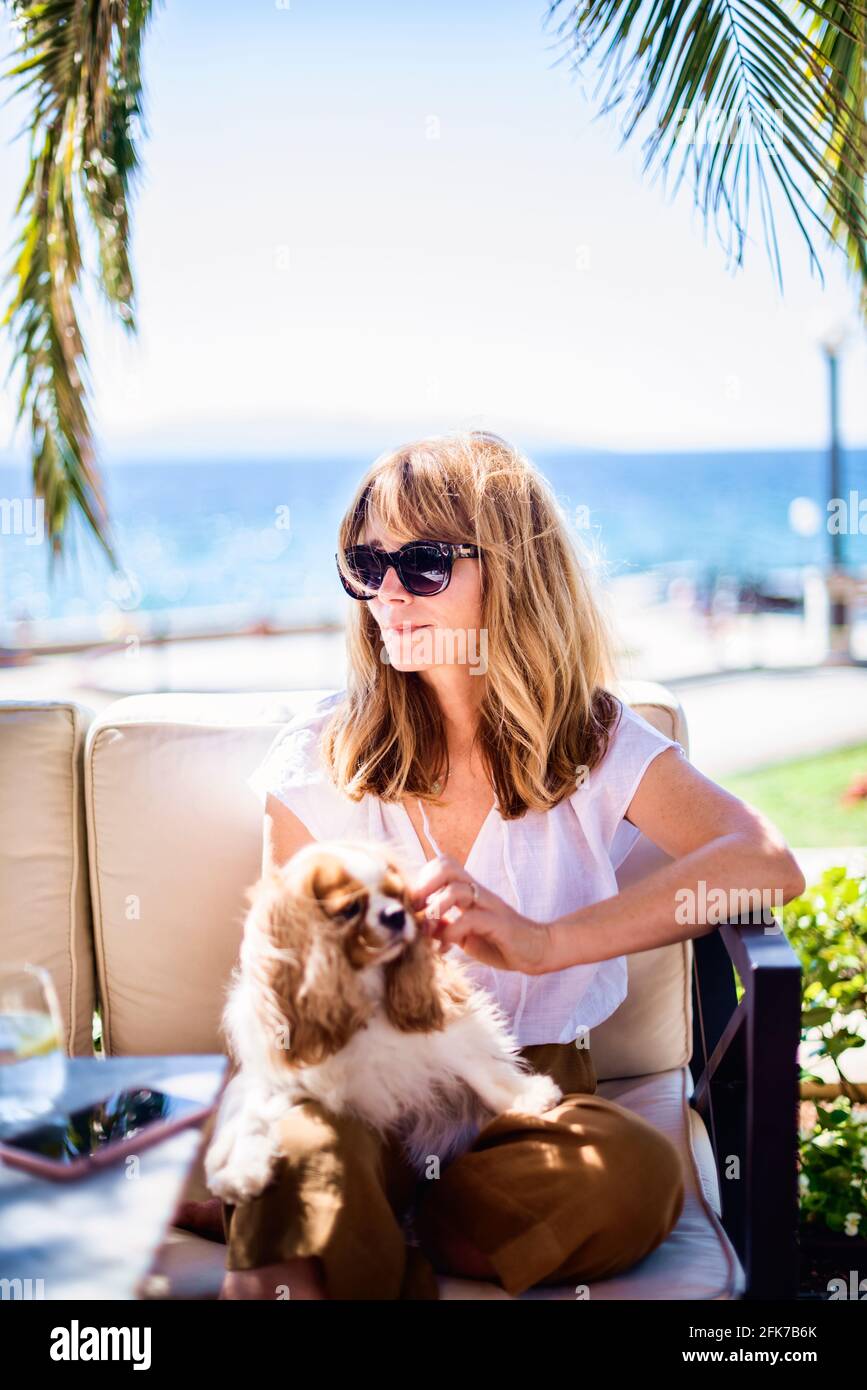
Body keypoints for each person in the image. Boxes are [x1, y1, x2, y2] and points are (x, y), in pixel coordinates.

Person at [203, 430, 805, 1300]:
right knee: (300, 1151)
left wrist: (542, 941)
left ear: (513, 571)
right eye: (366, 565)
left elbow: (762, 863)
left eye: (423, 564)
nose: (386, 595)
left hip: (522, 1093)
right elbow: (278, 992)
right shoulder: (321, 757)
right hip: (352, 1087)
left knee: (632, 1171)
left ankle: (381, 1227)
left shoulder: (593, 743)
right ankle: (364, 1215)